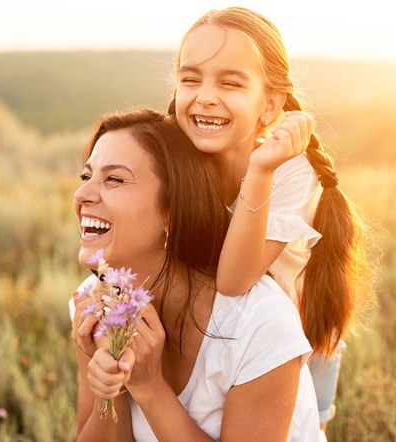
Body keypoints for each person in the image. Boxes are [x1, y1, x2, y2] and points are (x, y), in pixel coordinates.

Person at [167, 6, 373, 430]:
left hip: (293, 345)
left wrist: (260, 171)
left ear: (270, 105)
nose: (205, 95)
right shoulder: (177, 161)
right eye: (191, 79)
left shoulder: (291, 171)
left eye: (230, 83)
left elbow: (234, 280)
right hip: (217, 346)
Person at [71, 108, 325, 441]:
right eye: (86, 177)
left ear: (172, 210)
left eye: (114, 179)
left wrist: (149, 388)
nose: (82, 195)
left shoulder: (260, 322)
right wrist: (111, 381)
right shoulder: (96, 302)